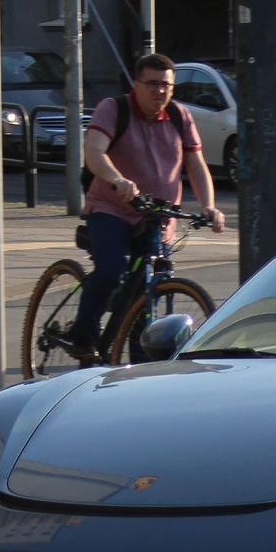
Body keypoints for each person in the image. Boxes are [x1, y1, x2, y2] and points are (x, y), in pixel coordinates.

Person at [73, 53, 225, 354]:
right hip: (111, 207)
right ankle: (83, 335)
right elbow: (94, 153)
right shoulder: (114, 109)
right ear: (136, 84)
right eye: (152, 84)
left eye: (167, 85)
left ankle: (137, 367)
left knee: (147, 295)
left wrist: (209, 205)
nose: (160, 91)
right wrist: (117, 179)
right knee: (111, 269)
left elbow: (196, 165)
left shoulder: (180, 116)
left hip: (157, 218)